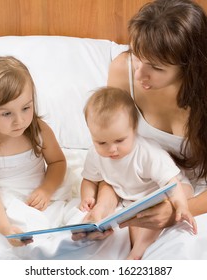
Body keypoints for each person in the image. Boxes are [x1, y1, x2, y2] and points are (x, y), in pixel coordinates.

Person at [76, 0, 207, 259]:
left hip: (198, 195)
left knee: (178, 252)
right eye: (137, 56)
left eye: (156, 67)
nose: (139, 74)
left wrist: (174, 209)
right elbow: (113, 156)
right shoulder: (124, 70)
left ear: (190, 66)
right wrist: (102, 207)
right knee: (85, 246)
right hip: (133, 185)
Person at [79, 86, 197, 259]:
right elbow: (89, 179)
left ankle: (139, 250)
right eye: (101, 142)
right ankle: (119, 233)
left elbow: (171, 183)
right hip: (133, 197)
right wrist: (87, 196)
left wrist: (181, 205)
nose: (112, 149)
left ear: (134, 129)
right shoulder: (95, 154)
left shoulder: (148, 153)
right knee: (133, 218)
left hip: (170, 188)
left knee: (157, 210)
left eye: (119, 140)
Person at [0, 56, 67, 248]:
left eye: (26, 108)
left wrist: (46, 190)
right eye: (6, 113)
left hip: (39, 198)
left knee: (64, 226)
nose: (19, 120)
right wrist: (6, 229)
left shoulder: (39, 130)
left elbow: (57, 163)